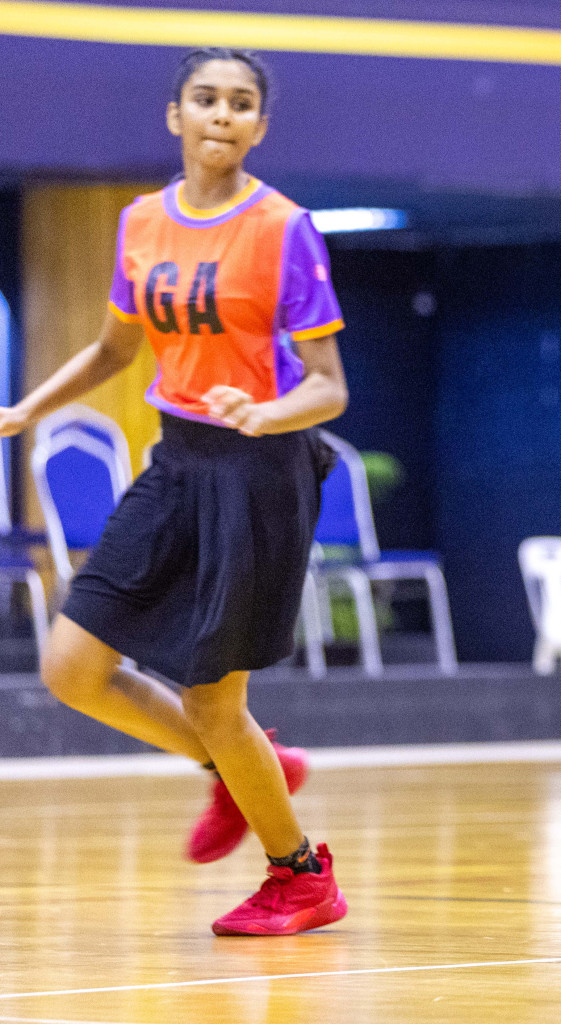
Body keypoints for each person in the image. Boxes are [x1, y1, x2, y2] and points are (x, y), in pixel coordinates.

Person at [0, 48, 348, 935]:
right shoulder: (141, 222)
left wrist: (265, 413)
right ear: (176, 116)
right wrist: (25, 410)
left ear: (259, 127)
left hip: (260, 470)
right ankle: (244, 766)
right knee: (72, 666)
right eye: (206, 99)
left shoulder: (283, 228)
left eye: (240, 104)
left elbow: (329, 387)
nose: (222, 115)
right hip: (177, 459)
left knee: (210, 701)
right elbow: (117, 350)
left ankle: (301, 875)